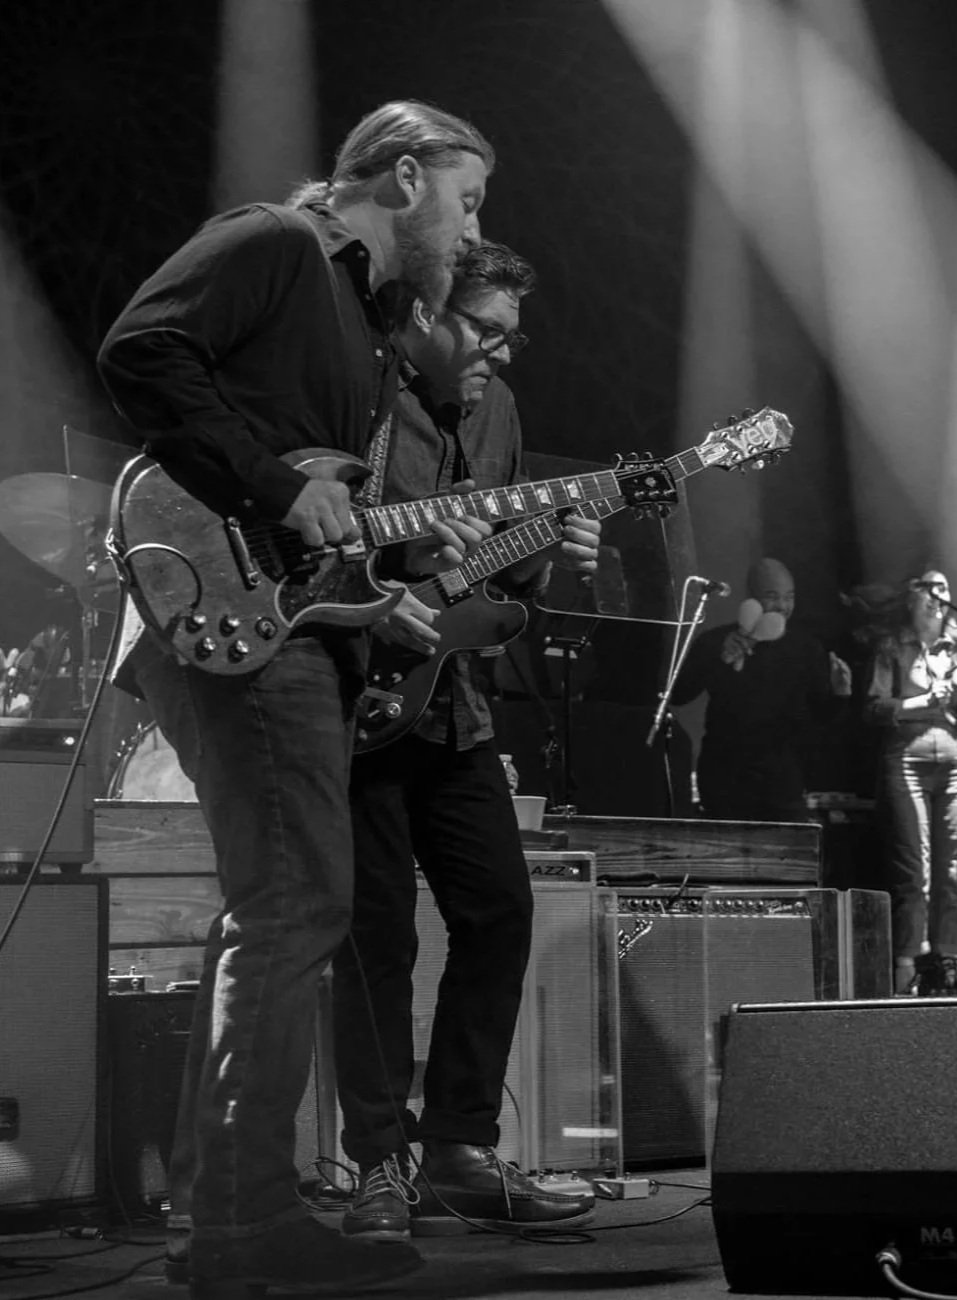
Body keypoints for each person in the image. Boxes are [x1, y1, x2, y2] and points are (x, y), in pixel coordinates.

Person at [97, 100, 499, 1292]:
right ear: (408, 175)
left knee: (281, 908)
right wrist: (272, 482)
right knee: (294, 907)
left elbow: (338, 512)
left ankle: (224, 1216)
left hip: (292, 621)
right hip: (229, 619)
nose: (473, 230)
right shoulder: (274, 241)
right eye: (470, 200)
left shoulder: (372, 327)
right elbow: (140, 350)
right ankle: (236, 1223)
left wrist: (400, 573)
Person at [332, 240, 600, 1240]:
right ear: (424, 319)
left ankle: (457, 1149)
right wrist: (400, 559)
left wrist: (553, 551)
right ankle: (376, 1163)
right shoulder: (353, 392)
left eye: (509, 335)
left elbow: (498, 585)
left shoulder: (500, 414)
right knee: (375, 939)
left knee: (498, 911)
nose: (502, 352)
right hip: (355, 694)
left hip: (453, 704)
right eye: (484, 329)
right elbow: (307, 542)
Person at [864, 570, 957, 995]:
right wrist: (925, 702)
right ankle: (908, 965)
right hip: (906, 761)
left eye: (944, 590)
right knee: (915, 868)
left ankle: (952, 960)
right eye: (928, 589)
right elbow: (874, 707)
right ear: (911, 599)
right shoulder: (892, 647)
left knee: (956, 869)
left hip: (956, 763)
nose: (938, 597)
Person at [670, 557, 851, 823]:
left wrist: (841, 693)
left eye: (789, 597)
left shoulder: (806, 647)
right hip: (723, 774)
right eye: (772, 596)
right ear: (751, 599)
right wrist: (717, 661)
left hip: (781, 777)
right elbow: (679, 695)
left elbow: (822, 716)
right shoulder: (715, 641)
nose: (783, 606)